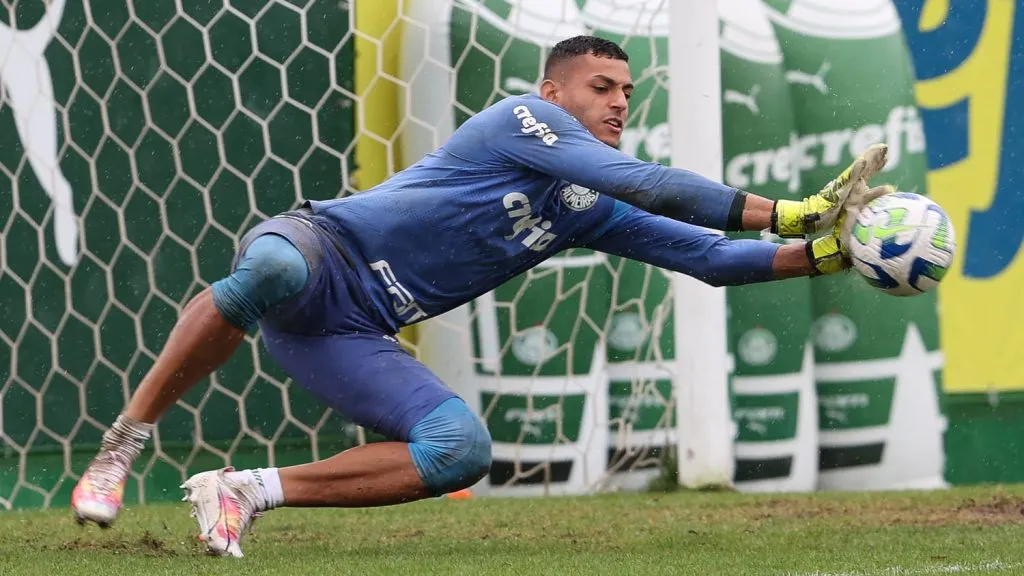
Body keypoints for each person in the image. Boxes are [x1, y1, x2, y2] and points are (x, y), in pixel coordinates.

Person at [70, 35, 892, 557]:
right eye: (600, 87)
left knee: (459, 450)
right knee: (272, 275)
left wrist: (830, 252)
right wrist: (793, 207)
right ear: (552, 93)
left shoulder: (583, 208)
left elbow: (711, 257)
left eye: (627, 94)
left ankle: (248, 490)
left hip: (350, 330)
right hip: (319, 247)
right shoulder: (517, 122)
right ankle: (120, 447)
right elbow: (643, 181)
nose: (618, 103)